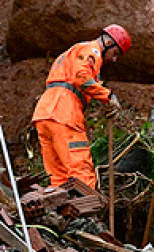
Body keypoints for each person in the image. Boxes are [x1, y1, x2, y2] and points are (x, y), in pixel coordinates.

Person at [31, 24, 130, 190]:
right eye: (115, 53)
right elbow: (81, 77)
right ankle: (87, 214)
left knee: (59, 177)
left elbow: (81, 82)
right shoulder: (92, 50)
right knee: (81, 172)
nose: (114, 59)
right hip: (64, 114)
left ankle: (63, 214)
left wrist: (104, 103)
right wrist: (108, 96)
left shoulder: (73, 52)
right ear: (107, 43)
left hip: (44, 114)